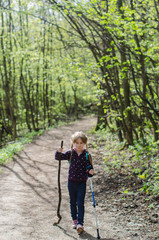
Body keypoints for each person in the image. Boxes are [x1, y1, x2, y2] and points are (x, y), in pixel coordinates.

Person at [55, 131, 94, 234]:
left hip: (82, 183)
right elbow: (58, 157)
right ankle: (75, 220)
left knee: (80, 203)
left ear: (85, 143)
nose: (79, 145)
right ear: (73, 143)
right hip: (71, 182)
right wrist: (58, 152)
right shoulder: (70, 153)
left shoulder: (87, 155)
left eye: (81, 143)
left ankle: (80, 223)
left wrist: (91, 172)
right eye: (77, 143)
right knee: (72, 202)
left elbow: (90, 168)